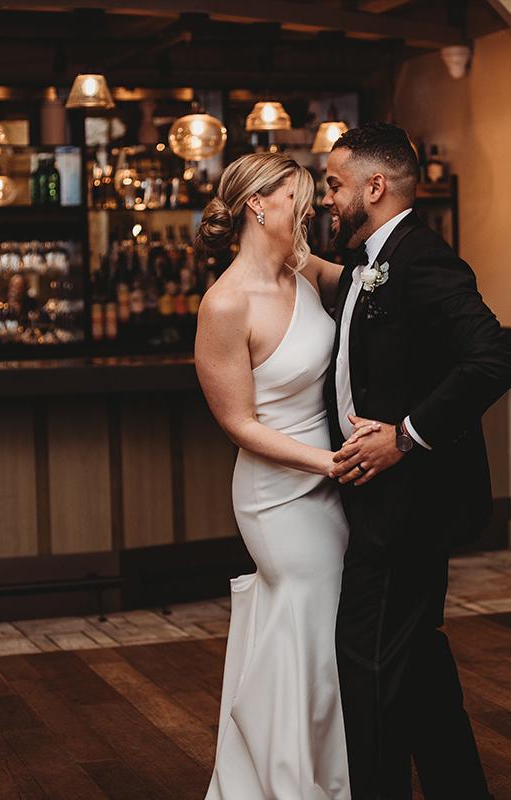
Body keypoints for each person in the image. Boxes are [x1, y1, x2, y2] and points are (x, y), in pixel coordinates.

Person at [321, 122, 511, 799]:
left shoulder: (419, 258)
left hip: (408, 507)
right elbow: (355, 298)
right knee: (416, 663)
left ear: (374, 187)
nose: (327, 198)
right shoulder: (374, 259)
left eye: (334, 184)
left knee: (368, 664)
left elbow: (495, 357)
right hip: (381, 504)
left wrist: (404, 435)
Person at [195, 152, 366, 799]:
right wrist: (328, 461)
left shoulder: (302, 271)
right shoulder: (225, 303)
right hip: (277, 495)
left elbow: (367, 279)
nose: (310, 207)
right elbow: (239, 424)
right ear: (256, 205)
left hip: (329, 481)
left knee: (309, 634)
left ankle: (295, 772)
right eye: (298, 196)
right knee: (311, 631)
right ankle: (302, 783)